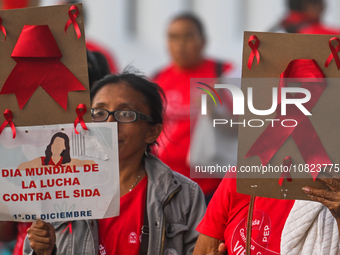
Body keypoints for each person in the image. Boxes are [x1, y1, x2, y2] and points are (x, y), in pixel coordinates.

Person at [24, 71, 206, 255]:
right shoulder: (58, 189)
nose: (110, 123)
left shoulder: (184, 195)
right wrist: (42, 251)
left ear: (152, 132)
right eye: (99, 113)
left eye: (125, 114)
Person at [152, 13, 234, 202]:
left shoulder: (224, 73)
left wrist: (214, 110)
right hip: (166, 182)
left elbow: (248, 126)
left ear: (203, 41)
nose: (180, 44)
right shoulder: (158, 79)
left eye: (188, 36)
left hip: (212, 184)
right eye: (173, 37)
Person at [269, 0, 339, 34]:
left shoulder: (278, 28)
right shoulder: (320, 34)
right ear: (307, 4)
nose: (323, 7)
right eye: (321, 3)